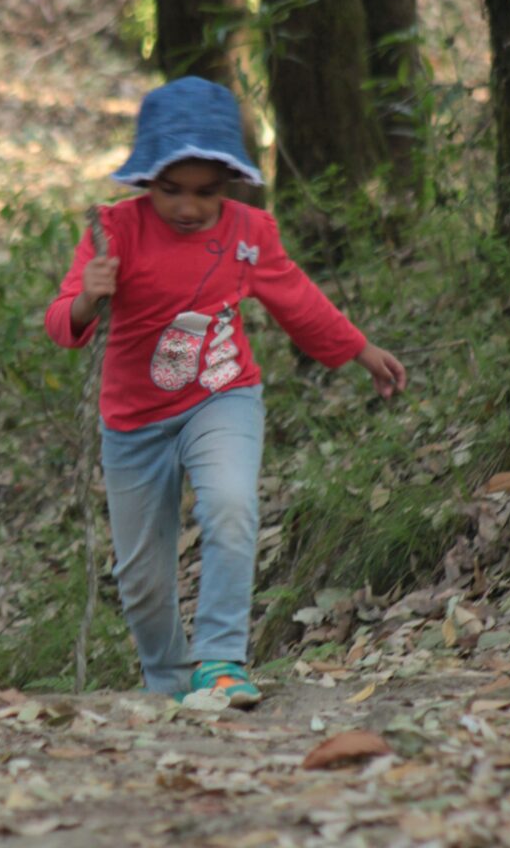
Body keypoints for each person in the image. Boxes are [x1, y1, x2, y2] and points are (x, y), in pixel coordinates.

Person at [45, 76, 406, 707]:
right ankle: (168, 683)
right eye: (171, 191)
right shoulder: (115, 231)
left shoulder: (248, 231)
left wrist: (358, 350)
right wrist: (87, 299)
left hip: (222, 397)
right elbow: (62, 325)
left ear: (230, 182)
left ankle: (221, 662)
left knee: (232, 506)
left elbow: (296, 298)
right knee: (141, 576)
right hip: (132, 421)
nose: (187, 207)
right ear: (144, 181)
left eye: (205, 193)